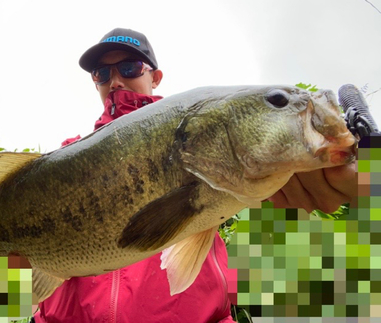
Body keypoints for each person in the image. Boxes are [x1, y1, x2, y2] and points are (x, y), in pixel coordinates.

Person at [32, 28, 357, 323]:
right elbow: (5, 293)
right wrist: (7, 286)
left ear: (155, 76)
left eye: (129, 68)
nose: (114, 81)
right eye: (101, 73)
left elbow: (300, 232)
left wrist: (367, 173)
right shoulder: (63, 157)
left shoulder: (221, 150)